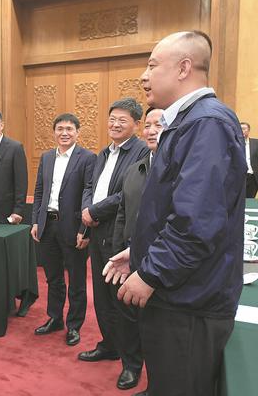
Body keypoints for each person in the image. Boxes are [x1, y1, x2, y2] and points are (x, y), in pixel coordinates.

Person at [104, 30, 246, 396]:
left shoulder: (206, 123)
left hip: (190, 305)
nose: (144, 75)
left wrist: (149, 273)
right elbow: (172, 208)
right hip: (181, 294)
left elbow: (195, 224)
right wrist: (137, 252)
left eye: (152, 64)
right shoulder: (188, 121)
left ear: (184, 68)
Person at [78, 97, 149, 391]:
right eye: (112, 119)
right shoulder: (103, 153)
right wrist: (86, 216)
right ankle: (109, 345)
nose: (115, 124)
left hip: (120, 236)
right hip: (96, 232)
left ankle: (132, 364)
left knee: (123, 301)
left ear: (136, 124)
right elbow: (90, 188)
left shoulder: (141, 152)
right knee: (103, 298)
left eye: (122, 120)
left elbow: (127, 195)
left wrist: (94, 211)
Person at [107, 108, 163, 396]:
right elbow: (122, 213)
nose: (152, 131)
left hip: (162, 264)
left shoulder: (179, 168)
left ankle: (157, 382)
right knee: (127, 317)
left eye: (159, 125)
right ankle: (130, 366)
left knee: (157, 327)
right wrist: (120, 249)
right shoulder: (135, 169)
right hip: (128, 258)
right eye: (149, 125)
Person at [31, 113, 96, 346]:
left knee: (77, 280)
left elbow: (90, 194)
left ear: (77, 132)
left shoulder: (88, 158)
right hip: (47, 225)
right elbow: (39, 191)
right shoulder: (47, 157)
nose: (64, 133)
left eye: (69, 128)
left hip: (73, 227)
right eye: (60, 129)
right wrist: (36, 221)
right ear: (54, 132)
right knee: (53, 278)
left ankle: (74, 325)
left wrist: (84, 229)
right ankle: (55, 318)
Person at [240, 122, 258, 198]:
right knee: (239, 201)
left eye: (244, 129)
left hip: (253, 177)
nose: (242, 131)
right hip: (239, 177)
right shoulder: (234, 144)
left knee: (250, 199)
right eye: (240, 129)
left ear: (248, 130)